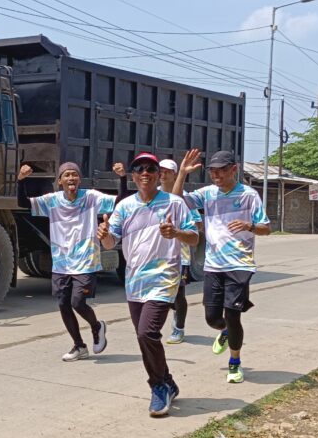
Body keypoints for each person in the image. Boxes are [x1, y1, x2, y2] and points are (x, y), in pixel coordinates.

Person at [97, 153, 198, 417]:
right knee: (145, 339)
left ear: (158, 174)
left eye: (151, 169)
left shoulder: (174, 204)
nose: (145, 173)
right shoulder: (125, 206)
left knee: (147, 334)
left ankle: (158, 387)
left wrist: (175, 233)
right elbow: (111, 243)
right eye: (139, 169)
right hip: (134, 281)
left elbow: (195, 237)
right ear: (133, 176)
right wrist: (104, 236)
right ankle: (168, 381)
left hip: (164, 279)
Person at [174, 148, 271, 385]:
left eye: (221, 171)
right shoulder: (207, 194)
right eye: (213, 172)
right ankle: (225, 331)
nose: (216, 176)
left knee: (233, 314)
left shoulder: (249, 195)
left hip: (240, 264)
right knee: (212, 318)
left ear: (234, 170)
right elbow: (176, 200)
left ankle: (235, 363)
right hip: (213, 265)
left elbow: (266, 228)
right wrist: (182, 174)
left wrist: (249, 226)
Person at [18, 161, 114, 362]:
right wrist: (21, 181)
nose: (71, 178)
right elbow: (24, 203)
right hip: (61, 262)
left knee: (77, 302)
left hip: (86, 260)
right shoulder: (52, 201)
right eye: (67, 175)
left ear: (79, 179)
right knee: (63, 304)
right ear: (60, 181)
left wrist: (122, 179)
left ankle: (97, 327)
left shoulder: (91, 198)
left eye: (74, 174)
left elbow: (120, 201)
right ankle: (79, 346)